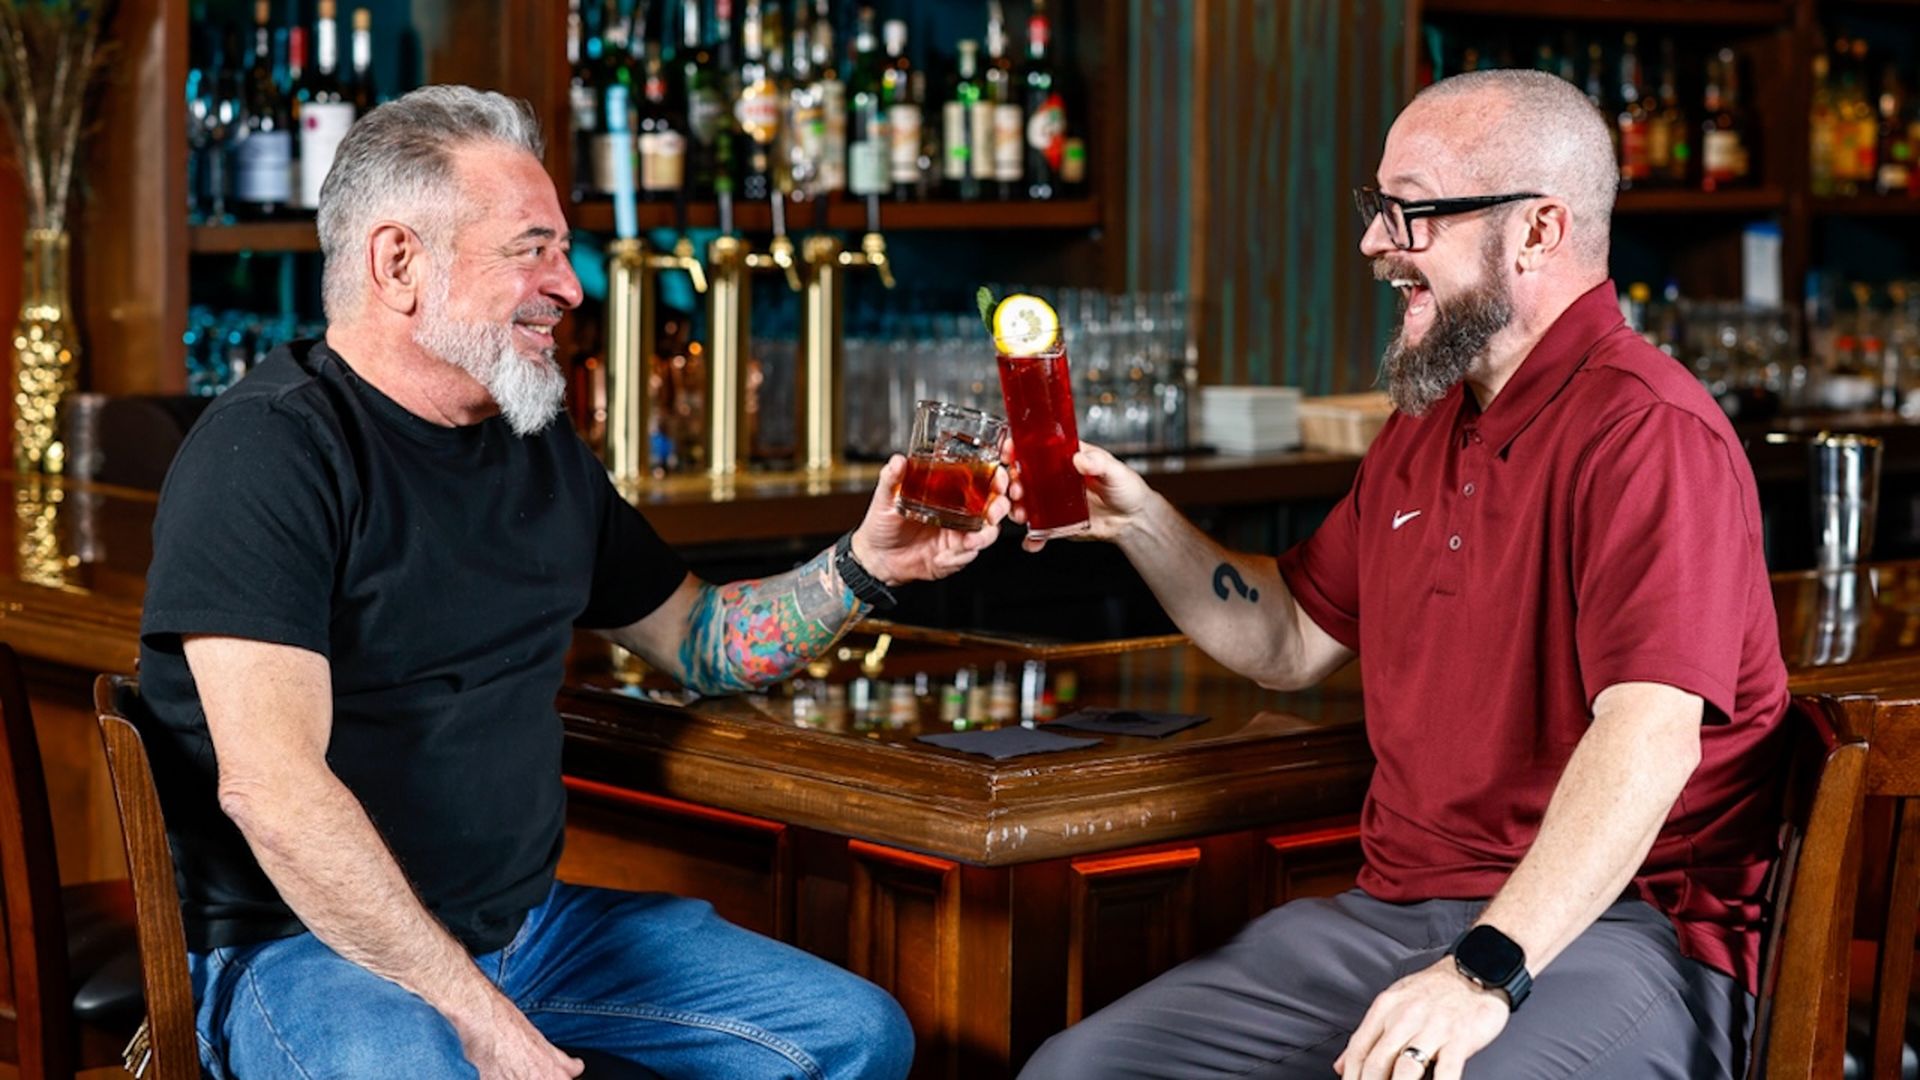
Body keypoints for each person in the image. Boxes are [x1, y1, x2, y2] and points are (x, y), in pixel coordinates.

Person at [138, 85, 1004, 1080]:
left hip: (530, 934)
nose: (571, 284)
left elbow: (703, 641)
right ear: (399, 262)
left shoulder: (537, 449)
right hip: (308, 952)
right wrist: (479, 1017)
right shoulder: (269, 453)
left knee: (855, 1036)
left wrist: (865, 565)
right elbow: (274, 790)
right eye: (531, 249)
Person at [1016, 69, 1785, 1080]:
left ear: (1539, 231)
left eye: (1409, 211)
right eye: (1376, 209)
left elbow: (1648, 737)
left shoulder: (1649, 433)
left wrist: (1482, 972)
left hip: (1621, 930)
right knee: (1079, 1073)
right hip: (1394, 915)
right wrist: (1140, 521)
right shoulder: (1427, 421)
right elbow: (1289, 641)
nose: (1376, 242)